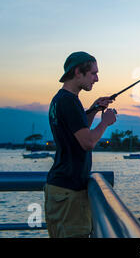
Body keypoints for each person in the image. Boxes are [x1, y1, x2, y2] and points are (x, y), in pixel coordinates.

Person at [44, 51, 117, 238]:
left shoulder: (61, 99)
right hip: (70, 194)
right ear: (78, 72)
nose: (97, 78)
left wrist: (94, 109)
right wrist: (105, 121)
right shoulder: (69, 102)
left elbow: (77, 127)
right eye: (93, 73)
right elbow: (88, 142)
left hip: (59, 189)